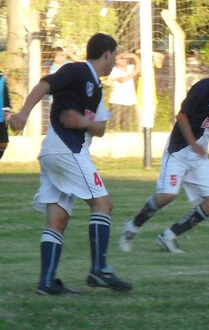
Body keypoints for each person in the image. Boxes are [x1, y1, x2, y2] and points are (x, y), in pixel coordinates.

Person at [9, 33, 132, 295]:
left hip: (55, 152)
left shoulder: (96, 87)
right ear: (107, 54)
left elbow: (100, 127)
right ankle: (98, 270)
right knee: (103, 204)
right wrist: (23, 113)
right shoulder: (77, 70)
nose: (114, 62)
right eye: (114, 55)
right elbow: (44, 85)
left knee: (57, 219)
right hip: (66, 150)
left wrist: (84, 123)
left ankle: (46, 283)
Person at [118, 50, 209, 254]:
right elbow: (181, 116)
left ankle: (169, 236)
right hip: (179, 151)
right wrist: (193, 142)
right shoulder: (204, 88)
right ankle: (132, 227)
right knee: (167, 195)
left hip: (198, 158)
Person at [105, 52, 140, 131]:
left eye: (126, 59)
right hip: (117, 101)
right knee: (114, 124)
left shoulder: (130, 68)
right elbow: (122, 80)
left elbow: (139, 67)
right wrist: (121, 55)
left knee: (126, 125)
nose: (125, 61)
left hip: (127, 101)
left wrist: (134, 56)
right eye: (122, 59)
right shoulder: (114, 70)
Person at [0, 70, 12, 160]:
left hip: (0, 117)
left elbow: (5, 94)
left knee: (3, 143)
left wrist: (7, 109)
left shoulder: (1, 76)